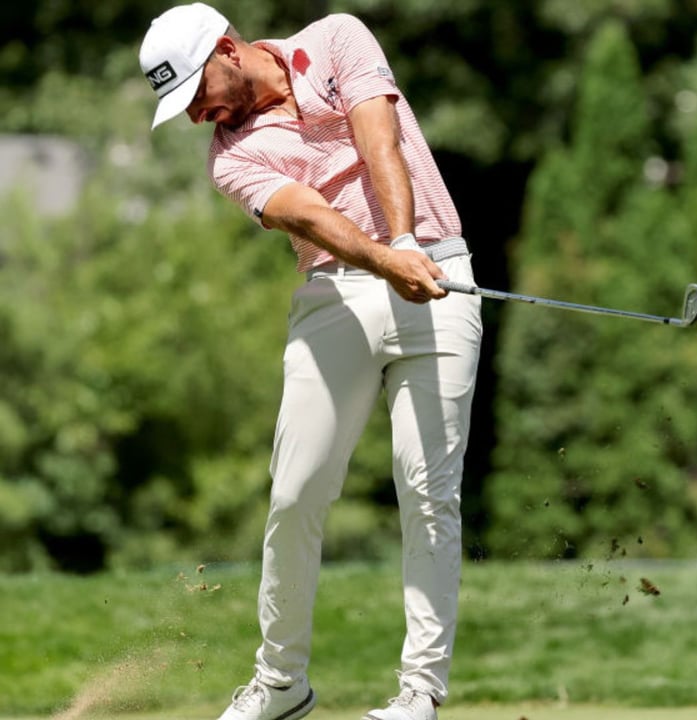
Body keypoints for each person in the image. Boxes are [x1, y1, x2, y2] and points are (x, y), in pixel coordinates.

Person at [139, 4, 482, 720]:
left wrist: (408, 243)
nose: (199, 117)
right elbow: (312, 217)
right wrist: (390, 259)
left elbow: (378, 138)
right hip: (336, 294)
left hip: (439, 275)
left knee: (428, 493)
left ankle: (419, 695)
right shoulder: (231, 157)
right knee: (295, 494)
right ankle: (280, 683)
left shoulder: (335, 38)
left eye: (197, 95)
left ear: (228, 50)